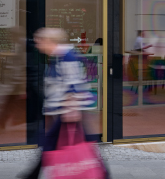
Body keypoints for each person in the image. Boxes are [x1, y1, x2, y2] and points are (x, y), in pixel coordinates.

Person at [19, 28, 103, 179]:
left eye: (40, 41)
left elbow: (73, 83)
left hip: (68, 110)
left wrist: (71, 109)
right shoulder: (58, 56)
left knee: (52, 143)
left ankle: (31, 175)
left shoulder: (67, 56)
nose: (37, 45)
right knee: (63, 142)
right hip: (65, 109)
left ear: (50, 42)